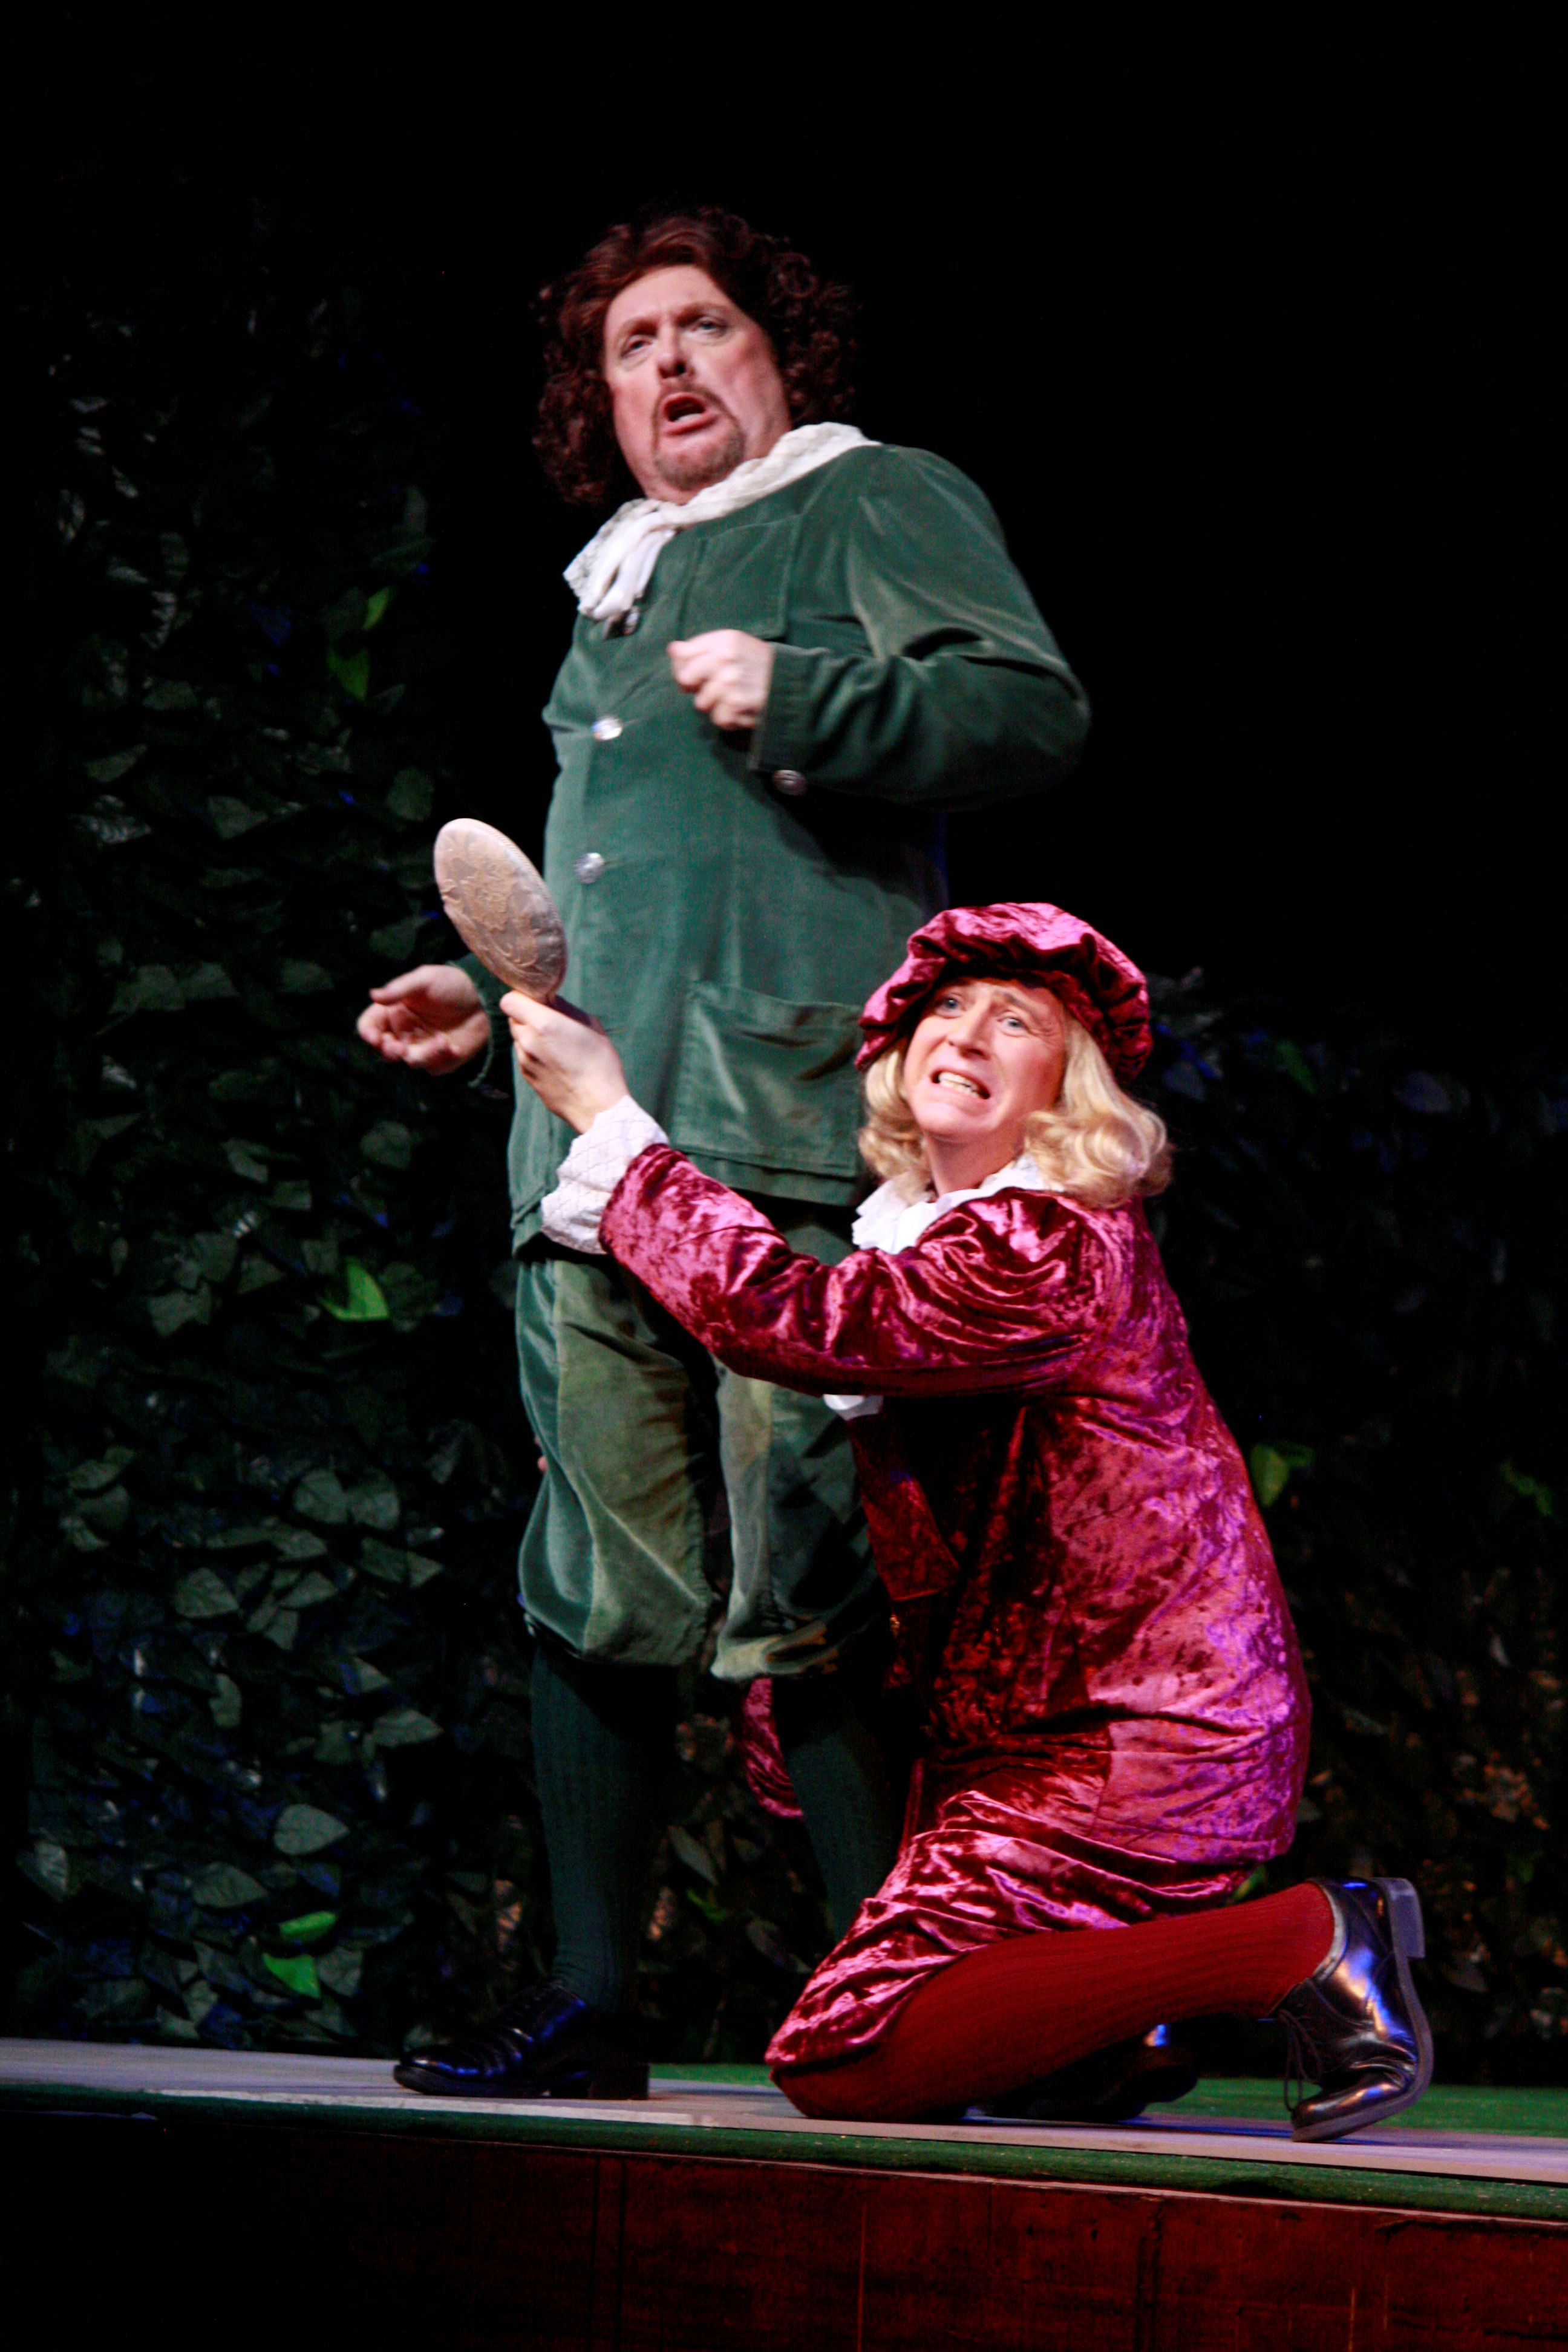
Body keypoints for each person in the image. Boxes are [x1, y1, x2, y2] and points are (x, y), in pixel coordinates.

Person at [363, 210, 1091, 2099]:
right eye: (632, 344)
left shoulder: (865, 499)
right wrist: (482, 995)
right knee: (594, 1576)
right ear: (598, 401)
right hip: (591, 1144)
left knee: (815, 1578)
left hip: (783, 1136)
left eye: (704, 325)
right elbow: (627, 878)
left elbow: (1030, 708)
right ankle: (597, 2008)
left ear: (785, 350)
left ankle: (900, 2014)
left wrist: (814, 693)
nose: (670, 362)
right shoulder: (615, 577)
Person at [486, 901, 1432, 2141]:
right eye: (946, 1008)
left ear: (1064, 1091)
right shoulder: (940, 1235)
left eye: (1016, 1022)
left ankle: (1304, 1939)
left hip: (1132, 1746)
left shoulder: (1047, 1240)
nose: (969, 1033)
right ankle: (1102, 2037)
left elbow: (799, 1322)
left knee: (849, 2054)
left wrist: (615, 1126)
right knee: (910, 1988)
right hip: (1051, 1737)